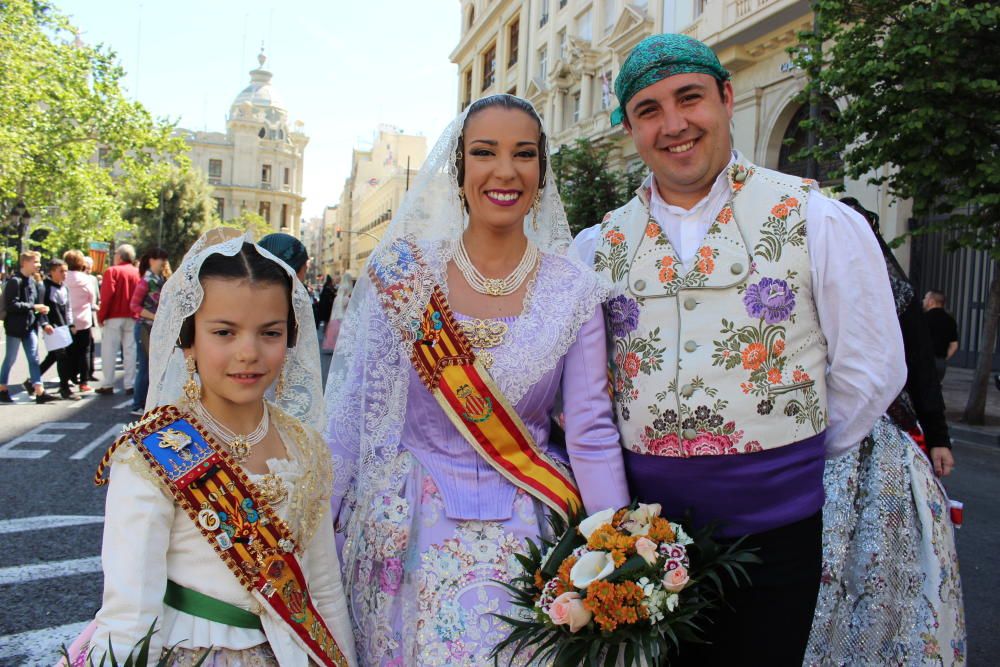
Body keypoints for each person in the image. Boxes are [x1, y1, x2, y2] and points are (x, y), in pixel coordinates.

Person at [573, 34, 906, 664]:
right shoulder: (594, 248)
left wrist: (784, 459)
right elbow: (587, 397)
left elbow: (872, 368)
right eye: (649, 110)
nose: (673, 125)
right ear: (632, 129)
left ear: (726, 98)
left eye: (689, 98)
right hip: (645, 540)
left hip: (778, 535)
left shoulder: (815, 217)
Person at [325, 94, 630, 665]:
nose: (505, 171)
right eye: (485, 152)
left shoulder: (574, 291)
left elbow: (590, 429)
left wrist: (616, 547)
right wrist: (315, 538)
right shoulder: (404, 276)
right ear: (459, 167)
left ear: (542, 171)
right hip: (404, 526)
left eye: (524, 154)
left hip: (532, 527)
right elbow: (352, 420)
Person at [77, 230, 357, 665]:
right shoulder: (152, 454)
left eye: (270, 333)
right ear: (188, 341)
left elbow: (322, 587)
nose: (248, 352)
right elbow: (130, 613)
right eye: (224, 332)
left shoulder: (305, 447)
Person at [801, 200, 965, 664]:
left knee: (879, 561)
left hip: (870, 442)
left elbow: (915, 365)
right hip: (803, 435)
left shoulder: (890, 290)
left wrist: (938, 437)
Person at [0, 251, 58, 404]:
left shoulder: (33, 281)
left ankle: (39, 391)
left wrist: (43, 320)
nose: (38, 265)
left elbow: (34, 304)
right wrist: (34, 307)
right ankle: (2, 389)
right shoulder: (15, 281)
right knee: (10, 359)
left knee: (34, 358)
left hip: (30, 326)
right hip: (14, 327)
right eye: (36, 262)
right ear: (25, 262)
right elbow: (11, 305)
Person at [129, 248, 170, 415]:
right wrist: (155, 317)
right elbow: (134, 306)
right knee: (145, 366)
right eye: (162, 259)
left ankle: (148, 403)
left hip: (156, 328)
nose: (164, 263)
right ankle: (138, 404)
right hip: (145, 328)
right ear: (152, 260)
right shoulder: (146, 281)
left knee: (155, 367)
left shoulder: (160, 279)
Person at [96, 244, 140, 396]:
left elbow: (107, 296)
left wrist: (101, 316)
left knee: (109, 350)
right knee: (130, 350)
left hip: (114, 315)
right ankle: (130, 383)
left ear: (119, 256)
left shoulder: (112, 271)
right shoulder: (137, 272)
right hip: (133, 315)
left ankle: (108, 383)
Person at [37, 258, 80, 400]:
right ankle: (64, 388)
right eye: (61, 271)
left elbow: (67, 308)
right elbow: (40, 307)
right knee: (62, 356)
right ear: (52, 271)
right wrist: (44, 324)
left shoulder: (64, 287)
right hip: (52, 327)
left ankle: (33, 379)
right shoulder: (44, 287)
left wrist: (71, 324)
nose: (65, 274)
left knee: (53, 357)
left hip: (63, 328)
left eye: (66, 271)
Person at [63, 250, 96, 394]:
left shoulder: (64, 277)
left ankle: (69, 377)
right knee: (84, 351)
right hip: (83, 318)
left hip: (67, 319)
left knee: (69, 351)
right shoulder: (85, 279)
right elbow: (92, 298)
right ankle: (84, 381)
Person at [923, 289, 959, 380]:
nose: (923, 300)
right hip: (940, 363)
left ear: (931, 302)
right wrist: (943, 359)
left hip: (924, 361)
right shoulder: (950, 320)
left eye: (925, 298)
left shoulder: (923, 319)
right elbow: (954, 345)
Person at [320, 272, 352, 353]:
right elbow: (343, 302)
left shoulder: (341, 288)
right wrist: (348, 299)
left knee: (335, 329)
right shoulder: (347, 287)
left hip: (337, 310)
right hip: (342, 311)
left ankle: (333, 346)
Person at [82, 255, 100, 383]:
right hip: (81, 316)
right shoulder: (80, 279)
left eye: (90, 268)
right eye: (85, 267)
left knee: (90, 345)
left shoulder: (93, 279)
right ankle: (83, 374)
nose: (88, 270)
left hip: (91, 315)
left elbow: (97, 297)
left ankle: (89, 372)